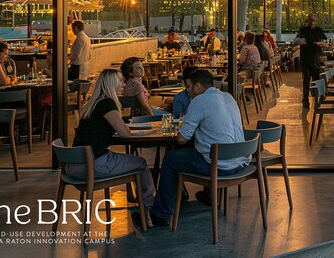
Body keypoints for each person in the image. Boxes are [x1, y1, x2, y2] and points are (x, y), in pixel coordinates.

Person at [149, 69, 248, 227]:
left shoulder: (199, 101)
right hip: (240, 163)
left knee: (170, 158)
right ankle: (207, 194)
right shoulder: (228, 97)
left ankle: (161, 213)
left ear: (198, 86)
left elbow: (181, 139)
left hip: (219, 166)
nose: (188, 92)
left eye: (190, 88)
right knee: (202, 148)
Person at [69, 69, 156, 228]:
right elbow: (125, 133)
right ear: (111, 84)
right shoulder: (107, 103)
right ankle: (148, 209)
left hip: (73, 166)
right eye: (120, 81)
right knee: (141, 163)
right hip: (93, 165)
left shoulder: (92, 103)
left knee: (132, 162)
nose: (123, 84)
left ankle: (145, 207)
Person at [294, 13, 326, 109]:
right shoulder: (303, 30)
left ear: (316, 21)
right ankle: (305, 100)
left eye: (314, 20)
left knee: (316, 80)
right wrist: (299, 41)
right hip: (305, 59)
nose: (312, 22)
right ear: (308, 20)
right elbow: (295, 40)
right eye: (311, 20)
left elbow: (326, 42)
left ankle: (317, 100)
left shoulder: (319, 30)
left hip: (315, 58)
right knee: (306, 80)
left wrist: (321, 43)